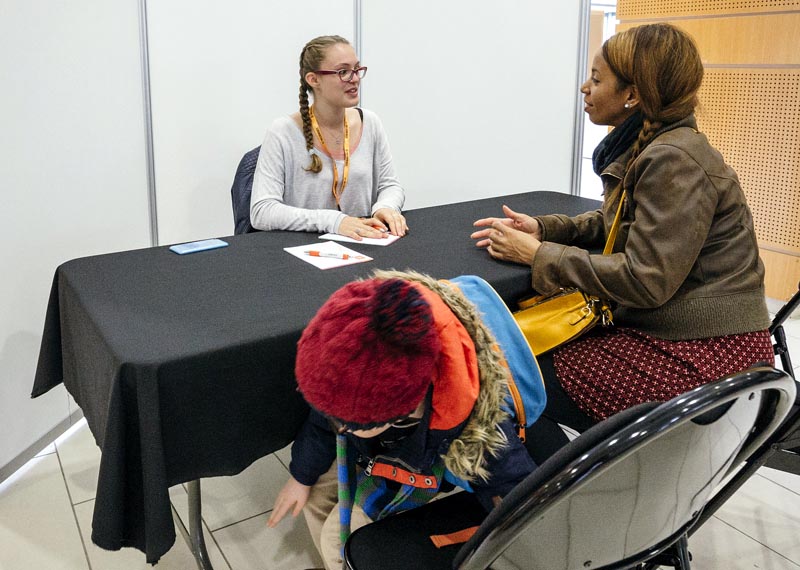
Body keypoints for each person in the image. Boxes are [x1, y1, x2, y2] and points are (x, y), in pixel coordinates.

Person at [470, 23, 774, 463]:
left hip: (701, 356)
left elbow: (646, 280)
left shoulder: (673, 160)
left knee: (505, 371)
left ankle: (550, 500)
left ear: (632, 95)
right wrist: (548, 229)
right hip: (688, 334)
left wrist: (540, 255)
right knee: (519, 354)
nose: (584, 87)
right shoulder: (658, 145)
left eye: (596, 79)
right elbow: (619, 222)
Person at [267, 270, 537, 570]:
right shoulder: (352, 368)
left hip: (418, 463)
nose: (339, 427)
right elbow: (323, 424)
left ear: (402, 410)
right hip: (379, 446)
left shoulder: (475, 426)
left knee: (336, 540)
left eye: (348, 423)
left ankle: (343, 561)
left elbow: (516, 492)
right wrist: (301, 476)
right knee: (316, 494)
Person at [250, 35, 408, 240]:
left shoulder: (370, 122)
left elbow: (390, 186)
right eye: (343, 72)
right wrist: (334, 221)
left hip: (364, 242)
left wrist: (385, 207)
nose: (355, 78)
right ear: (313, 79)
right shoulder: (282, 132)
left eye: (357, 69)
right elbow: (262, 211)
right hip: (303, 251)